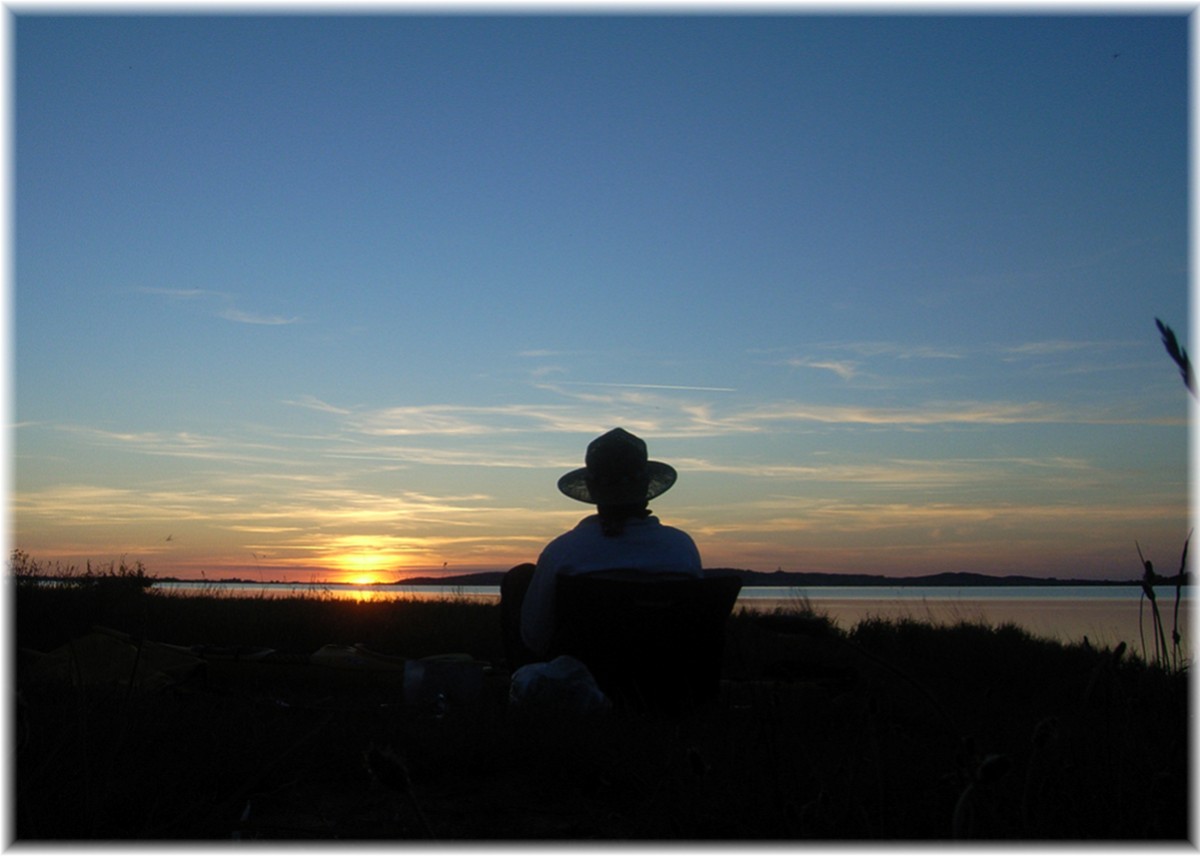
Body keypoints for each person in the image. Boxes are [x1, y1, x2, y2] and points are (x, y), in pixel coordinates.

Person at [500, 427, 703, 668]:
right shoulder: (681, 548)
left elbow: (535, 638)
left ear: (591, 487)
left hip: (581, 687)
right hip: (666, 683)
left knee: (521, 578)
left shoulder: (563, 551)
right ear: (646, 484)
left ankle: (515, 687)